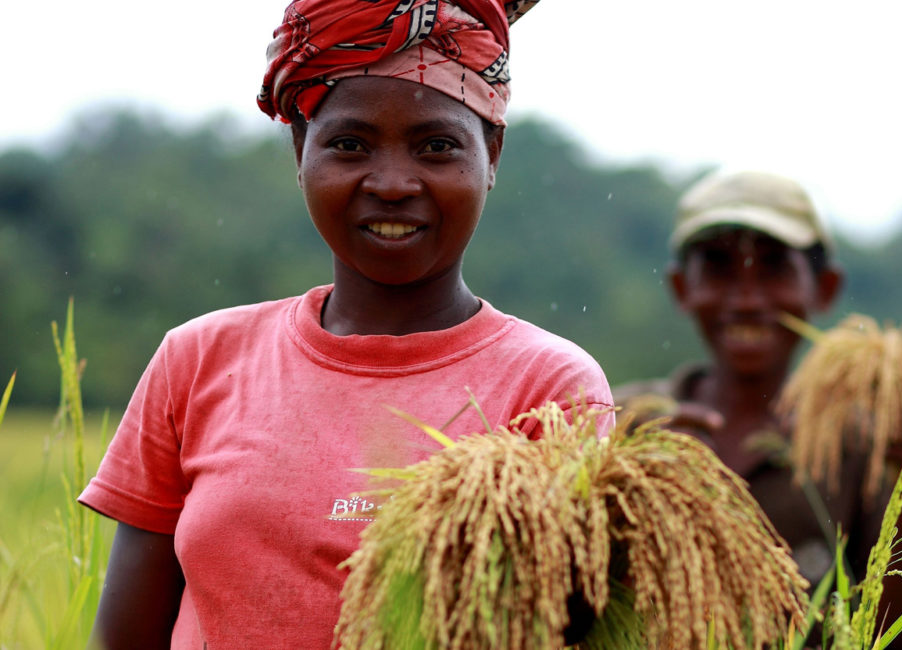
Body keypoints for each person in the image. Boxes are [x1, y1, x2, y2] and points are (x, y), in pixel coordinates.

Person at [78, 1, 613, 647]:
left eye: (436, 146)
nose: (391, 183)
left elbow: (568, 622)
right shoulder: (199, 358)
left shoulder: (550, 387)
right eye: (350, 144)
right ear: (302, 150)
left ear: (491, 155)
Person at [613, 169, 902, 648]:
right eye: (718, 267)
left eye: (774, 268)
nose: (747, 298)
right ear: (680, 288)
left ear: (825, 288)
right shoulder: (621, 422)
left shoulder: (858, 441)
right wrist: (646, 484)